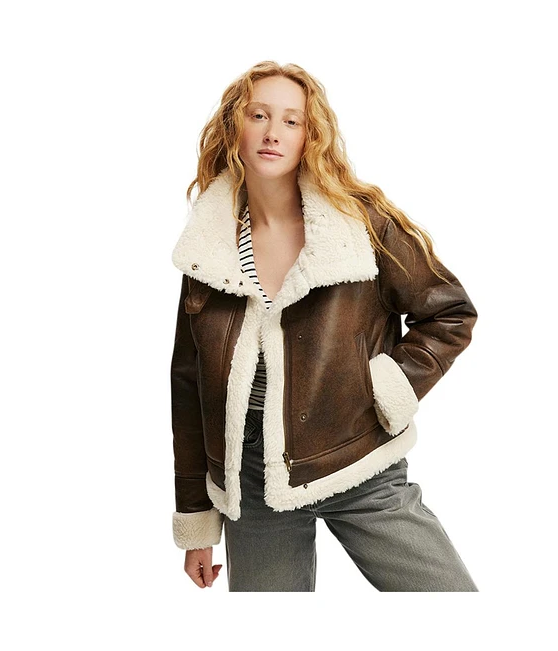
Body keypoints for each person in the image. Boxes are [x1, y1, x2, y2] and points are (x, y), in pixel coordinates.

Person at [170, 60, 479, 592]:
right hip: (254, 481)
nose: (273, 132)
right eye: (258, 115)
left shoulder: (361, 222)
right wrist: (197, 519)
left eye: (291, 121)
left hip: (360, 459)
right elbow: (190, 382)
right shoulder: (209, 245)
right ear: (233, 127)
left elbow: (449, 312)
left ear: (310, 135)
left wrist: (386, 387)